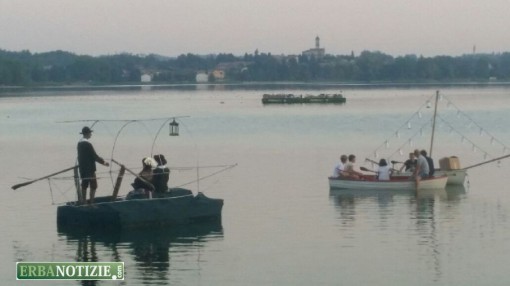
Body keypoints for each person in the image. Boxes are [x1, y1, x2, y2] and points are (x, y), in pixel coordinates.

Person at [77, 126, 109, 205]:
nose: (91, 134)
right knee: (94, 185)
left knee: (84, 185)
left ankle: (84, 202)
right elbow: (94, 156)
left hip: (82, 168)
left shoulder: (79, 143)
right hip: (90, 168)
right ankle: (91, 203)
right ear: (87, 134)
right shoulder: (88, 144)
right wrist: (104, 162)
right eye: (90, 133)